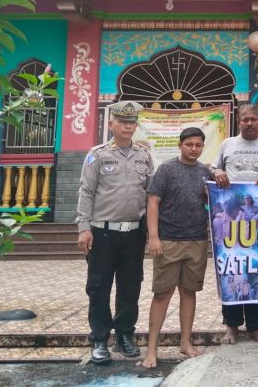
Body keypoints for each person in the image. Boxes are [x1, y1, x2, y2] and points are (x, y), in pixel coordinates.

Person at [76, 101, 153, 364]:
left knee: (130, 287)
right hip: (103, 233)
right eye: (122, 122)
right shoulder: (97, 155)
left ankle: (124, 336)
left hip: (133, 233)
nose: (128, 126)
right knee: (99, 288)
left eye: (132, 122)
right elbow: (86, 192)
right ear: (112, 124)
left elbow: (150, 193)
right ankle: (99, 340)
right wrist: (84, 228)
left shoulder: (144, 154)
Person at [140, 127, 211, 368]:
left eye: (198, 145)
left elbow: (211, 203)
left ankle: (186, 343)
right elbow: (153, 202)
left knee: (189, 292)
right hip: (168, 240)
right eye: (189, 144)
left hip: (197, 240)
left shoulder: (205, 172)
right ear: (180, 145)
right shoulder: (167, 170)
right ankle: (151, 349)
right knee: (162, 294)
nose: (194, 149)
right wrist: (154, 237)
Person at [211, 103, 258, 344]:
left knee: (257, 270)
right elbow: (214, 168)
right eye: (245, 119)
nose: (249, 123)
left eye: (253, 119)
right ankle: (231, 326)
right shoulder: (227, 144)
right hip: (231, 225)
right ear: (239, 121)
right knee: (232, 271)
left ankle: (256, 325)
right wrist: (217, 173)